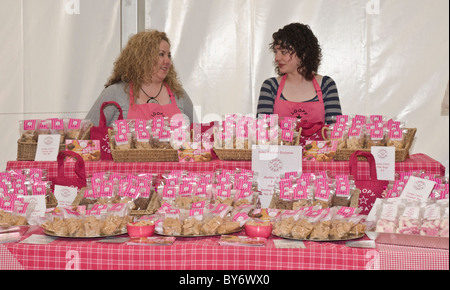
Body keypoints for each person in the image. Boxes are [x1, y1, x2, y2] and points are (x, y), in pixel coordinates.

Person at [86, 30, 194, 127]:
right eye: (161, 54)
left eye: (168, 55)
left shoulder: (179, 94)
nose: (168, 61)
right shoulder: (115, 93)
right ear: (142, 58)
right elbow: (85, 134)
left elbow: (197, 136)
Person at [257, 23, 342, 125]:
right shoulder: (270, 86)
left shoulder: (326, 85)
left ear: (303, 53)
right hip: (279, 142)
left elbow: (335, 132)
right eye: (276, 52)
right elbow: (263, 133)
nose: (277, 58)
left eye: (283, 52)